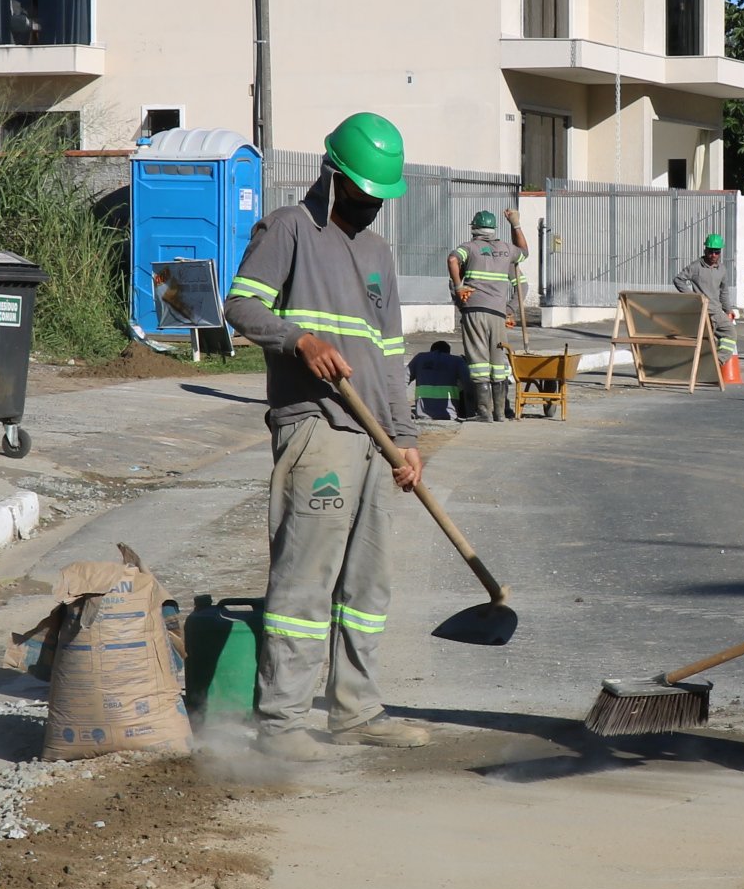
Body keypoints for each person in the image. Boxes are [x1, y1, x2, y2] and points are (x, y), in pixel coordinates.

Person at [222, 112, 433, 757]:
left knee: (368, 586)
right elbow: (240, 305)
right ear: (334, 175)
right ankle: (282, 723)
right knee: (305, 580)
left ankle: (357, 711)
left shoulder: (377, 253)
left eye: (380, 197)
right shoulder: (290, 229)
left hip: (374, 438)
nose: (371, 206)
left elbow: (391, 356)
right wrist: (299, 340)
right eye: (364, 192)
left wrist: (405, 437)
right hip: (317, 427)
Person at [445, 206, 526, 419]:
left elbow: (453, 260)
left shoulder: (469, 248)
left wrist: (459, 287)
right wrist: (515, 224)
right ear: (493, 229)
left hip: (474, 311)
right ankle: (500, 413)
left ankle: (484, 412)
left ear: (474, 229)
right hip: (498, 313)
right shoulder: (507, 251)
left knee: (478, 361)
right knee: (498, 361)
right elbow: (524, 254)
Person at [672, 233, 738, 375]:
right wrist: (694, 298)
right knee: (708, 341)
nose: (713, 255)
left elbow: (724, 291)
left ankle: (717, 362)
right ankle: (698, 370)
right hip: (702, 311)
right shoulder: (696, 267)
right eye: (710, 251)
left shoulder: (722, 269)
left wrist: (728, 309)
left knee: (730, 333)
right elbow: (678, 280)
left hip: (717, 311)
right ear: (705, 250)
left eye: (716, 252)